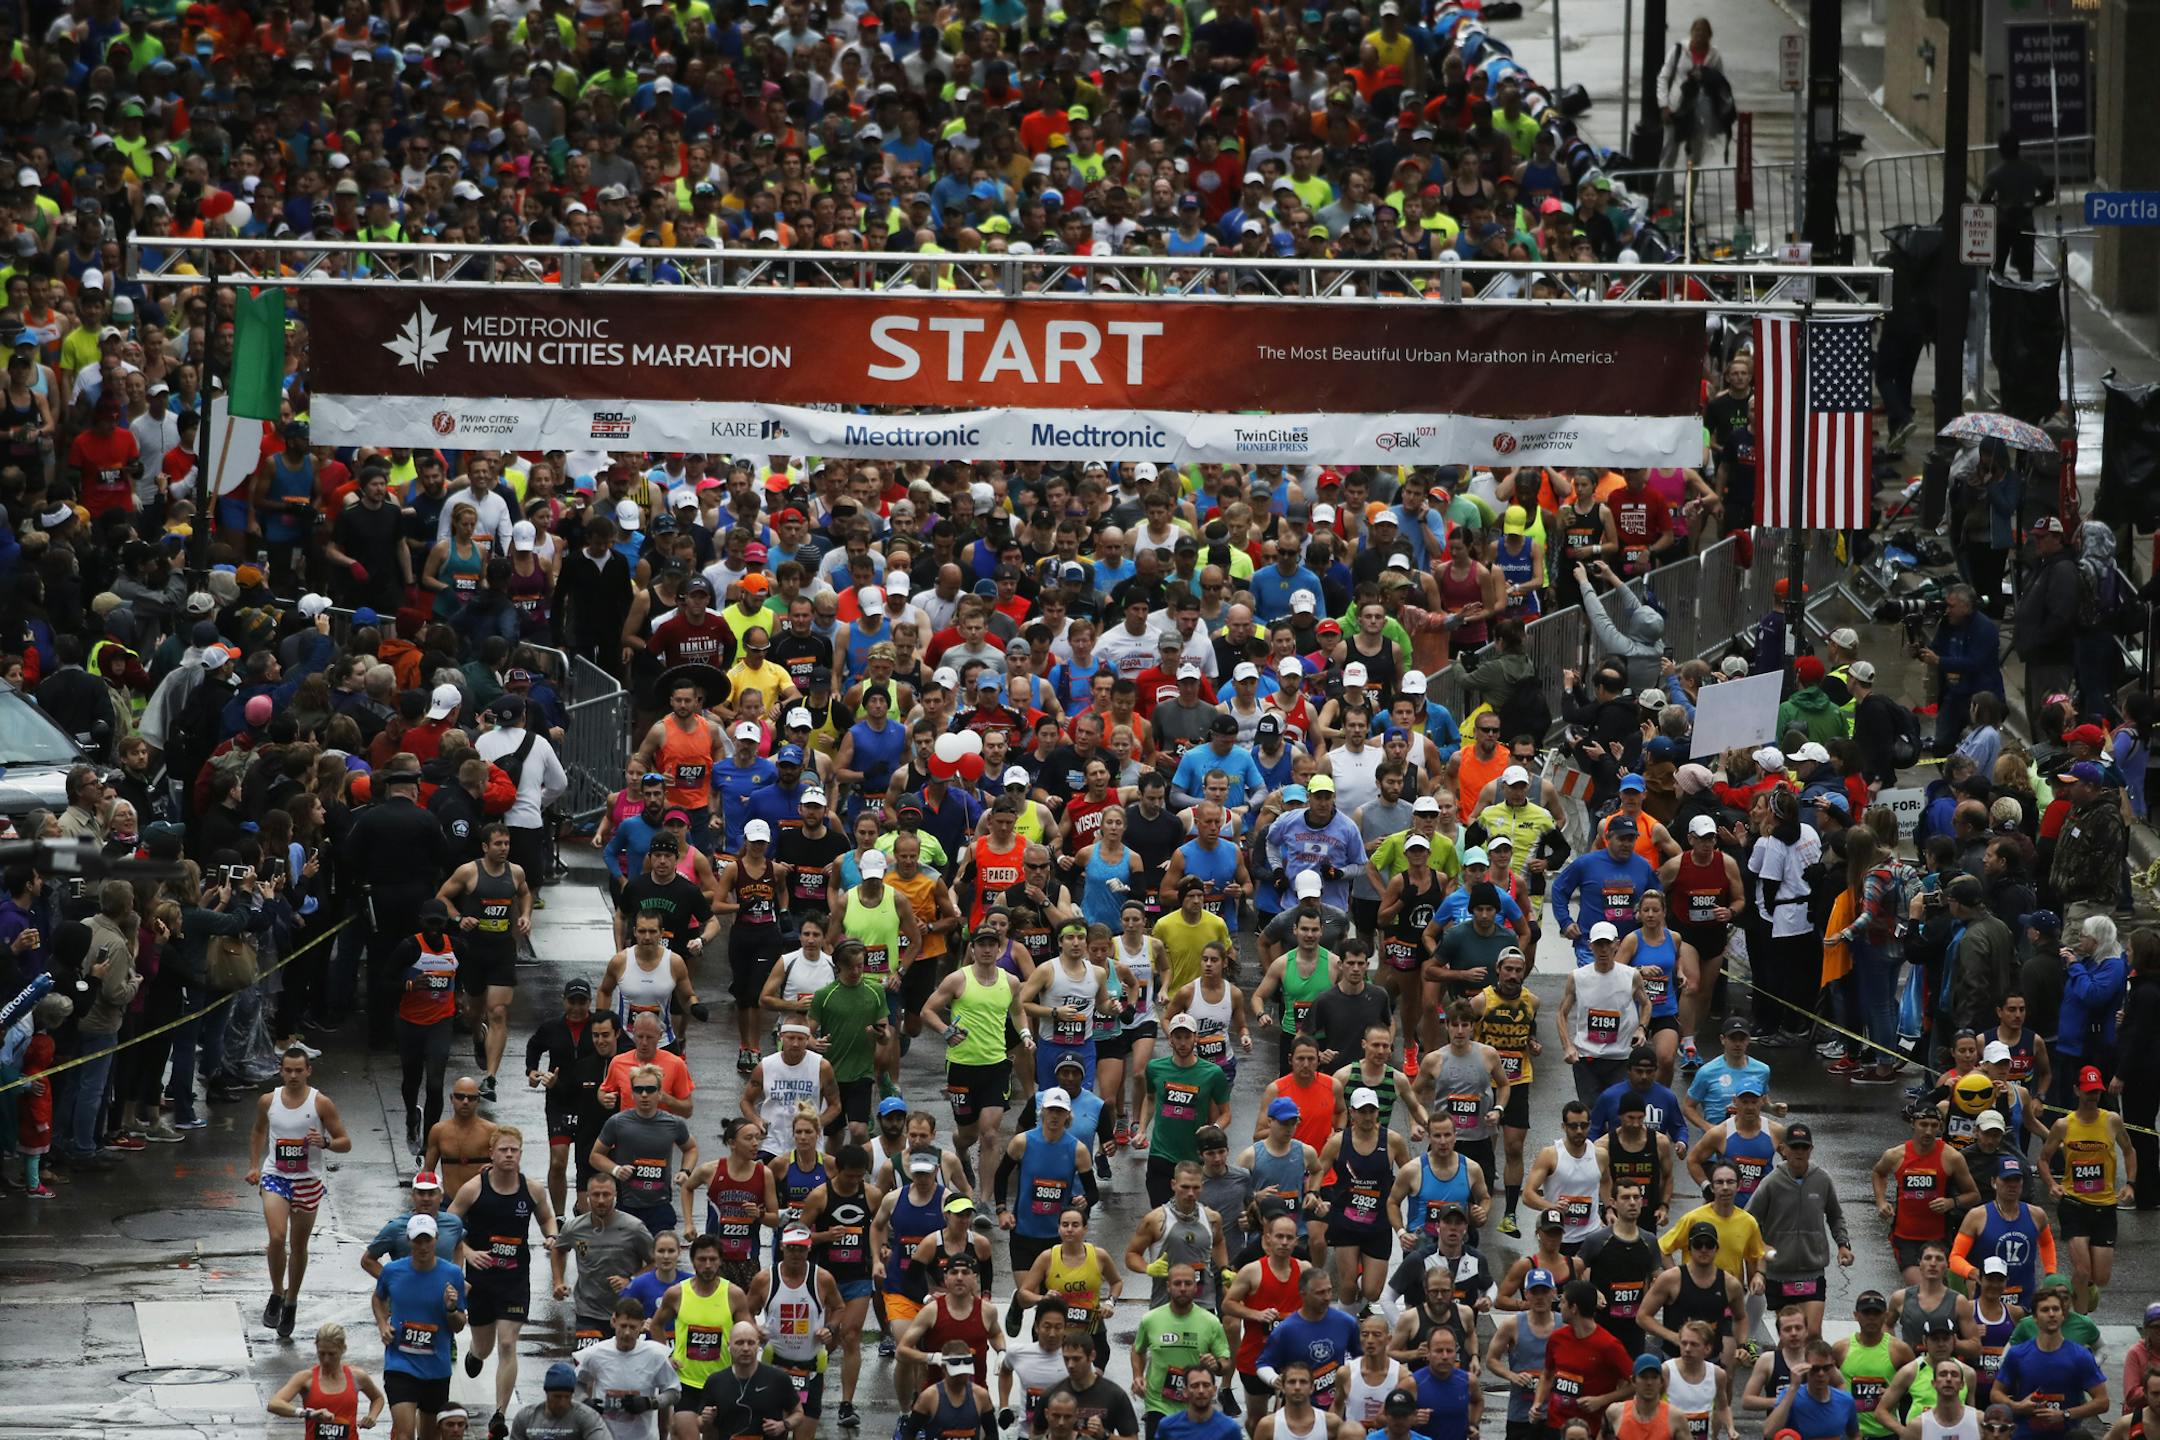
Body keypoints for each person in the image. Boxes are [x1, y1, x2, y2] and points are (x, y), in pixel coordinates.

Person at [450, 1124, 559, 1424]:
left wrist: (551, 1236)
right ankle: (475, 1352)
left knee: (508, 1343)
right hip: (481, 1280)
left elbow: (547, 1218)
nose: (509, 1155)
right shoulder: (475, 1188)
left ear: (521, 1153)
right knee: (485, 1347)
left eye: (514, 1150)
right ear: (492, 1153)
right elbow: (448, 1226)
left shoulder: (531, 1188)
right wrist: (469, 1252)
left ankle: (499, 1414)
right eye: (503, 1150)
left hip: (514, 1280)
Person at [249, 1046, 353, 1342]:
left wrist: (325, 1142)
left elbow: (346, 1142)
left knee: (298, 1245)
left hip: (308, 1181)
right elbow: (257, 1131)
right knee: (277, 1237)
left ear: (309, 1071)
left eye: (299, 1070)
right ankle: (275, 1292)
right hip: (276, 1177)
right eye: (288, 1070)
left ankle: (291, 1300)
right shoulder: (268, 1100)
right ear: (280, 1071)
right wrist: (254, 1166)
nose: (293, 1075)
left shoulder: (320, 1103)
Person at [437, 823, 533, 1103]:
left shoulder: (515, 872)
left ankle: (490, 1079)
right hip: (474, 950)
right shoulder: (468, 872)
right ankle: (479, 1036)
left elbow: (525, 893)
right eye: (498, 844)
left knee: (499, 1011)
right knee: (472, 1011)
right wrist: (458, 919)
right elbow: (442, 897)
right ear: (485, 847)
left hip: (502, 950)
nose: (503, 848)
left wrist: (526, 915)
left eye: (507, 843)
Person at [2038, 1065, 2137, 1314]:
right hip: (2074, 1204)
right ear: (2077, 1091)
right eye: (2088, 1091)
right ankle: (2078, 1322)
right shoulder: (2063, 1125)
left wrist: (2130, 1183)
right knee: (2082, 1270)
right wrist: (2052, 1184)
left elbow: (2129, 1150)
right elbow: (2043, 1159)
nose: (2092, 1096)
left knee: (2100, 1277)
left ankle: (2077, 1293)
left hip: (2105, 1206)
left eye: (2097, 1092)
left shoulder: (2112, 1120)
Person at [1744, 1122, 1851, 1335]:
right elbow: (1748, 1220)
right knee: (1791, 1335)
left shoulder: (1822, 1179)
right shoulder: (1771, 1182)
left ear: (1811, 1149)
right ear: (1783, 1149)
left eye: (1804, 1147)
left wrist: (1843, 1244)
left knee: (1812, 1333)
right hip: (1779, 1272)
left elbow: (1835, 1215)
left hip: (1812, 1271)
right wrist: (1760, 1246)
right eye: (1794, 1147)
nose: (1799, 1152)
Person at [372, 1213, 470, 1440]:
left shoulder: (452, 1274)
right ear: (408, 1240)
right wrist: (382, 1324)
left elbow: (459, 1325)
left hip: (436, 1368)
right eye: (418, 1240)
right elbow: (378, 1298)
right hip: (400, 1364)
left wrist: (451, 1309)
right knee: (405, 1435)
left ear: (436, 1238)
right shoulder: (392, 1271)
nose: (423, 1246)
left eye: (428, 1240)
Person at [550, 1173, 656, 1354]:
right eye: (595, 1195)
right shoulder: (575, 1227)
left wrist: (631, 1280)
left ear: (615, 1196)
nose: (601, 1200)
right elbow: (559, 1249)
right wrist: (558, 1281)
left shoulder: (633, 1227)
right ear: (587, 1196)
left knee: (622, 1365)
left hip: (626, 1313)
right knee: (586, 1367)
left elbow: (655, 1262)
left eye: (606, 1195)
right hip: (588, 1311)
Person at [1133, 1264, 1234, 1440]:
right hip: (1158, 1403)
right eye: (1177, 1283)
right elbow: (1137, 1349)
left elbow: (1226, 1362)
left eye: (1188, 1284)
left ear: (1196, 1287)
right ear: (1168, 1286)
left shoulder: (1210, 1322)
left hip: (1196, 1405)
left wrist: (1216, 1365)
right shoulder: (1150, 1319)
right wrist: (1138, 1376)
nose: (1182, 1289)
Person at [1994, 1288, 2109, 1440]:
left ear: (2063, 1315)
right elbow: (1995, 1393)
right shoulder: (2017, 1354)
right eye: (2045, 1310)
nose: (2051, 1314)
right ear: (2035, 1317)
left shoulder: (2080, 1356)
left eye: (2056, 1309)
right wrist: (2017, 1407)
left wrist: (2065, 1414)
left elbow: (2103, 1402)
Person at [1534, 1279, 1634, 1439]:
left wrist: (1601, 1400)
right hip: (1556, 1425)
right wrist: (1537, 1403)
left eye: (1563, 1302)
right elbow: (1547, 1374)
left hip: (1590, 1430)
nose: (1559, 1307)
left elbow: (1635, 1384)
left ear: (1574, 1308)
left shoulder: (1609, 1345)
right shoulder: (1557, 1338)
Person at [575, 1297, 680, 1440]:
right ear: (613, 1322)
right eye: (623, 1326)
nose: (627, 1333)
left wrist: (649, 1403)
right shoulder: (595, 1353)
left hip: (643, 1436)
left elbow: (674, 1392)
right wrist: (586, 1402)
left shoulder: (655, 1355)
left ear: (642, 1325)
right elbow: (577, 1385)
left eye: (632, 1327)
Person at [688, 1320, 808, 1440]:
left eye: (750, 1343)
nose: (745, 1348)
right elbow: (699, 1424)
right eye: (739, 1343)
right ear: (729, 1345)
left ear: (758, 1345)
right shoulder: (715, 1381)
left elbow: (798, 1413)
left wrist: (783, 1425)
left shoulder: (778, 1378)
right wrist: (705, 1420)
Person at [267, 1322, 388, 1439]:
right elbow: (274, 1404)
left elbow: (378, 1398)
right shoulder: (306, 1378)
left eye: (332, 1354)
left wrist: (372, 1417)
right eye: (321, 1353)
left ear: (343, 1349)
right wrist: (308, 1414)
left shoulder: (357, 1377)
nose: (326, 1360)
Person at [1764, 1339, 1862, 1440]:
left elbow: (1855, 1435)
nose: (1821, 1374)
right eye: (1815, 1368)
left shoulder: (1846, 1400)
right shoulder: (1790, 1396)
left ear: (1833, 1366)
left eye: (1826, 1368)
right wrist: (1793, 1388)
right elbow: (1769, 1432)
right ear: (1804, 1366)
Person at [507, 1363, 610, 1440]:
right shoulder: (525, 1418)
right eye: (557, 1397)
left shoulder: (588, 1417)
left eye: (567, 1397)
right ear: (546, 1393)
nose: (562, 1403)